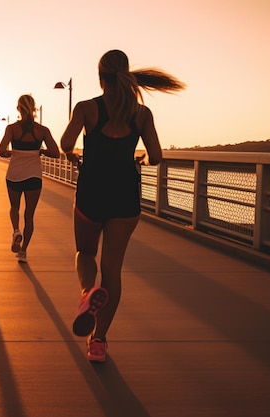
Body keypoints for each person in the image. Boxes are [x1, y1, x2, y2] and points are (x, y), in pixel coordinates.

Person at [60, 49, 185, 362]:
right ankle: (98, 341)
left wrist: (73, 153)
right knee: (112, 270)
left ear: (100, 77)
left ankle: (88, 292)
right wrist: (138, 156)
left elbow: (64, 142)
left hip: (92, 191)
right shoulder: (142, 115)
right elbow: (156, 156)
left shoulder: (87, 108)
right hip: (125, 195)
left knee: (85, 253)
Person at [0, 94, 60, 262]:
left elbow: (1, 151)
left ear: (18, 109)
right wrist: (40, 151)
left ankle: (16, 231)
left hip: (14, 175)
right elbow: (55, 153)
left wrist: (13, 152)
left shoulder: (11, 129)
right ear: (34, 109)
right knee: (29, 215)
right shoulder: (42, 130)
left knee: (14, 208)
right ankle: (23, 252)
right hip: (34, 176)